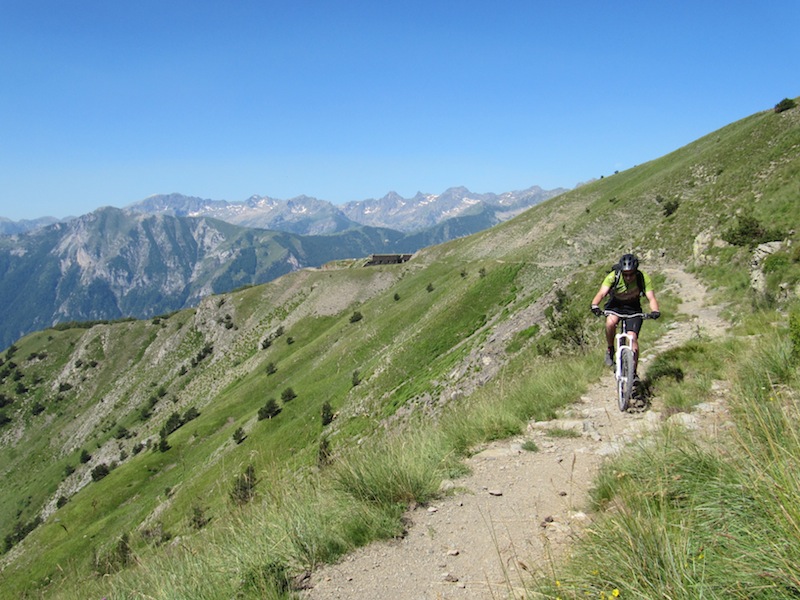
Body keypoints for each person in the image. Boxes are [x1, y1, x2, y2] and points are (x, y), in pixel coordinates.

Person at [590, 253, 660, 377]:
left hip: (633, 308)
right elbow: (601, 293)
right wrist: (595, 305)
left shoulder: (643, 278)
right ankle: (610, 348)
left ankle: (633, 373)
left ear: (636, 271)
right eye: (625, 274)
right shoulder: (613, 276)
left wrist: (655, 311)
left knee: (632, 338)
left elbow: (651, 298)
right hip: (615, 306)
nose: (628, 277)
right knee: (610, 323)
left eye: (631, 274)